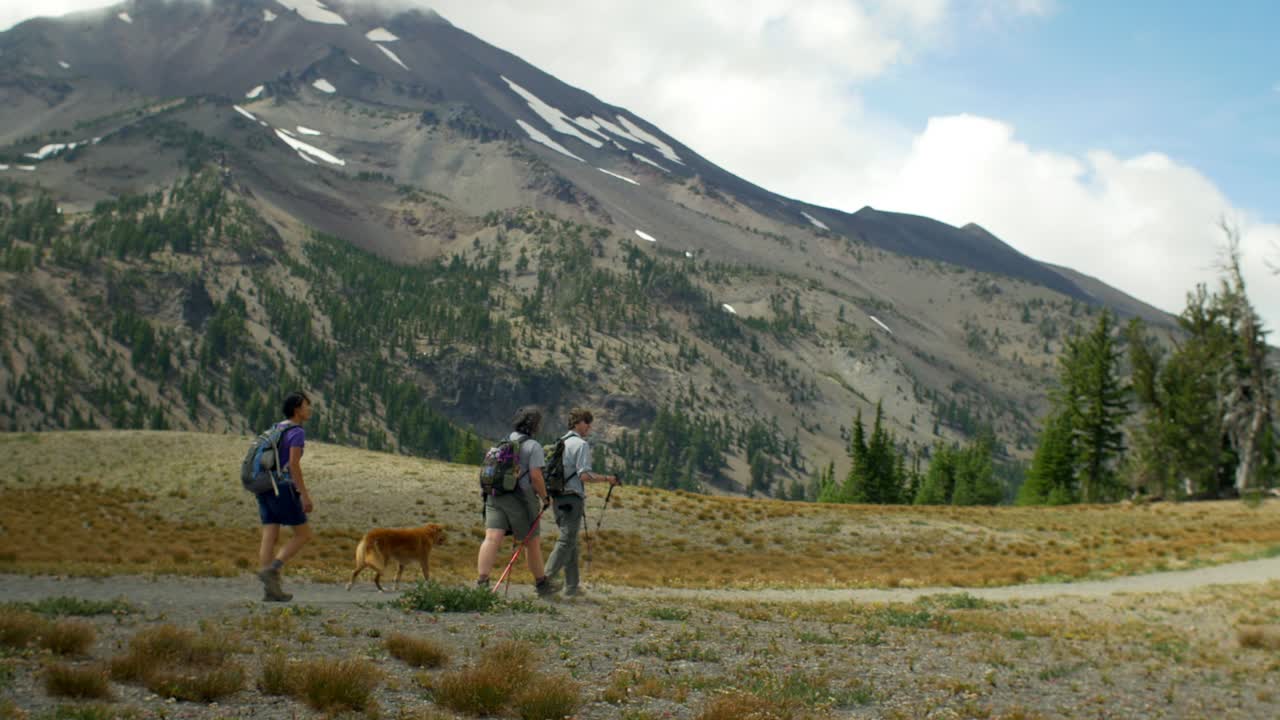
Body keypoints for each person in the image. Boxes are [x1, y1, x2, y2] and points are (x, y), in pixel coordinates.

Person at [476, 406, 559, 597]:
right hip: (520, 499)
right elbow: (536, 477)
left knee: (491, 538)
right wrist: (545, 498)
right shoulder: (533, 446)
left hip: (494, 495)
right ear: (536, 426)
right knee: (531, 542)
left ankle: (482, 582)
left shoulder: (504, 441)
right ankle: (542, 585)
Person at [543, 408, 621, 597]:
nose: (589, 426)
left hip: (557, 497)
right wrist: (607, 479)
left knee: (571, 541)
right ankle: (544, 580)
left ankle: (572, 586)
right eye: (587, 422)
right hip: (572, 497)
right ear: (577, 423)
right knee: (566, 540)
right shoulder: (581, 445)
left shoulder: (560, 442)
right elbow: (584, 475)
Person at [256, 392, 315, 602]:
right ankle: (272, 570)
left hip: (263, 485)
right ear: (297, 409)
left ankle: (270, 591)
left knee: (270, 535)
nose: (310, 409)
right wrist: (304, 495)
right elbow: (293, 464)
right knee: (303, 535)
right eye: (307, 406)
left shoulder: (276, 428)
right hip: (282, 487)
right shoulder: (296, 432)